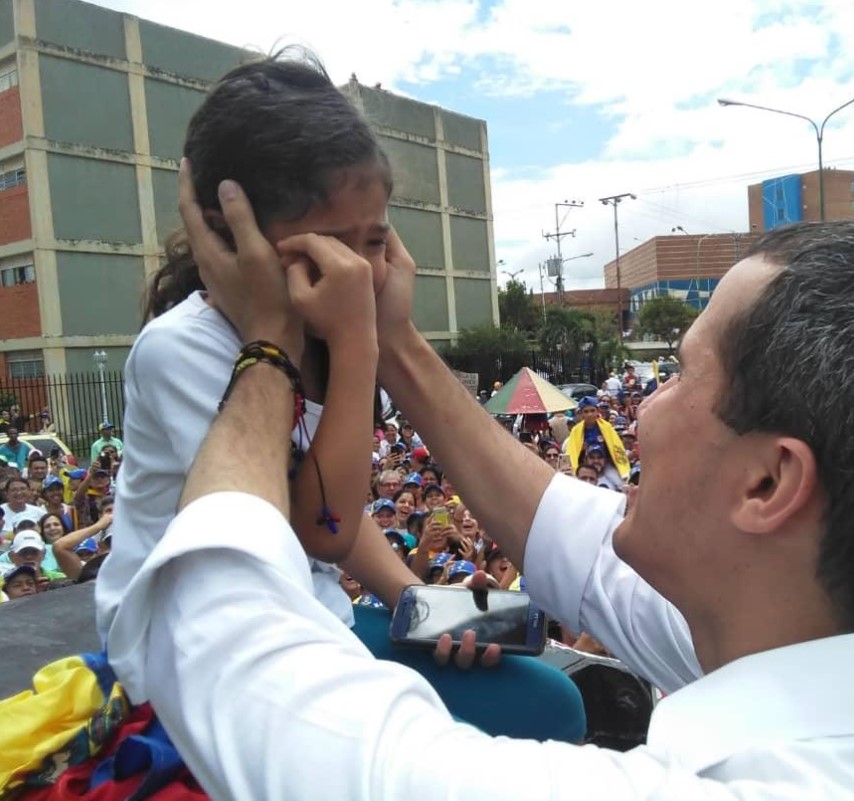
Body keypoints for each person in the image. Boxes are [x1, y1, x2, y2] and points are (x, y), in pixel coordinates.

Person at [111, 216, 854, 799]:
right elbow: (576, 541)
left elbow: (231, 658)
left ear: (769, 484)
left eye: (680, 374)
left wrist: (271, 347)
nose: (640, 410)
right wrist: (390, 340)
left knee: (547, 694)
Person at [101, 50, 581, 745]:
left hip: (312, 615)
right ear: (230, 233)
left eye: (375, 241)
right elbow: (318, 523)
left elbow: (343, 522)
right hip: (194, 657)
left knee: (550, 703)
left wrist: (417, 602)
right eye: (331, 244)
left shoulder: (326, 332)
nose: (360, 271)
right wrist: (362, 344)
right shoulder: (182, 352)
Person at [562, 397, 629, 485]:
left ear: (597, 411)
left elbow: (616, 448)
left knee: (620, 482)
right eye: (586, 411)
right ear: (581, 414)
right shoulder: (576, 430)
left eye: (592, 411)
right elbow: (571, 452)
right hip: (584, 465)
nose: (589, 414)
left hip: (604, 464)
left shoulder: (606, 427)